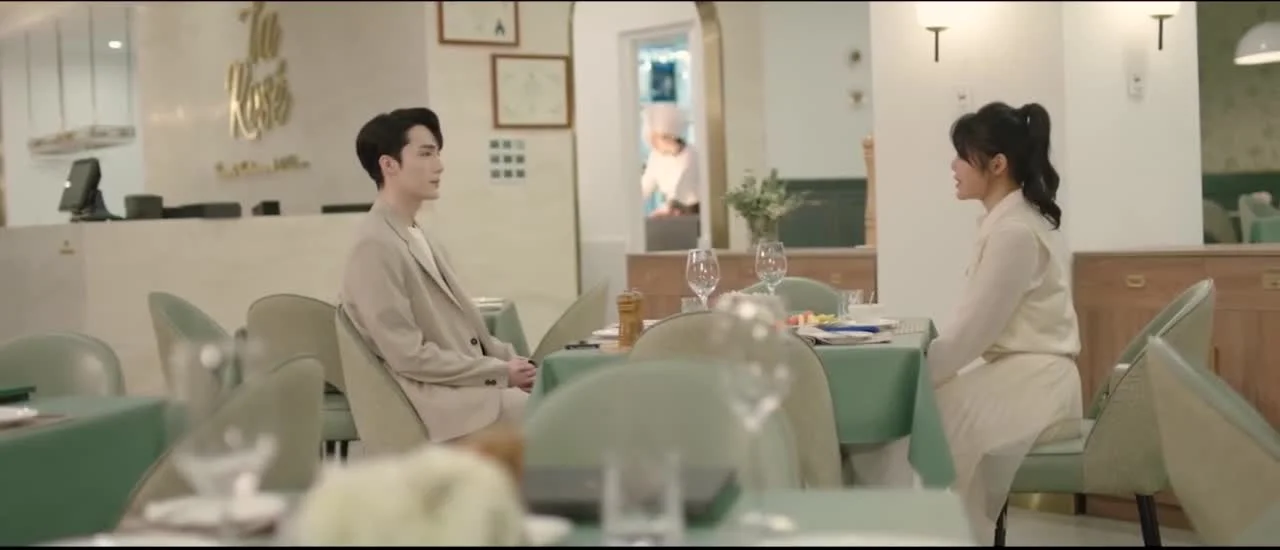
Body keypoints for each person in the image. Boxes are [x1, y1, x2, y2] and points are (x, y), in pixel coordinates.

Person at [928, 101, 1083, 540]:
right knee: (926, 412)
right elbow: (969, 332)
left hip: (1037, 387)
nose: (953, 165)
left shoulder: (1014, 232)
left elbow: (971, 337)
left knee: (920, 418)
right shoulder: (1011, 222)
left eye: (962, 155)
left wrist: (912, 375)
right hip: (1026, 377)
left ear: (997, 165)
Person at [340, 107, 537, 443]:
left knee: (563, 400)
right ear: (389, 165)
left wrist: (514, 362)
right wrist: (500, 372)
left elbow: (469, 335)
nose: (439, 165)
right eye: (426, 154)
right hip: (438, 407)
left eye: (437, 154)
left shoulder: (415, 233)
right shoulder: (374, 244)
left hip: (467, 389)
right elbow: (408, 355)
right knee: (554, 416)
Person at [641, 103, 701, 217]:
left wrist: (667, 210)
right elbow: (645, 186)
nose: (652, 144)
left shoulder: (691, 155)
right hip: (673, 210)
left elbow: (683, 192)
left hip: (692, 213)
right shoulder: (655, 157)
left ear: (670, 136)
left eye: (655, 138)